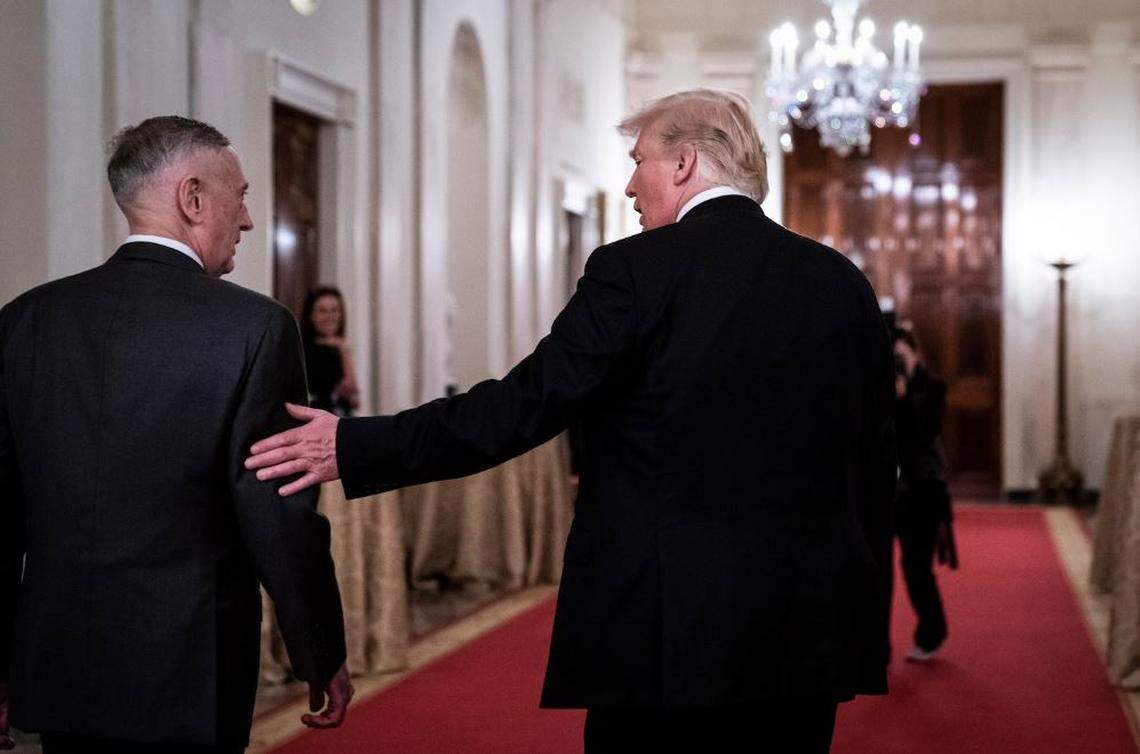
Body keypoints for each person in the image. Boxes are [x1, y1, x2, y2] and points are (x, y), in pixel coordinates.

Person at [247, 89, 896, 753]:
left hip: (664, 634)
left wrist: (353, 444)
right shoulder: (840, 282)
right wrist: (863, 630)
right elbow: (875, 471)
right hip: (809, 630)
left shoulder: (635, 271)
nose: (629, 184)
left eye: (639, 160)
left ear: (683, 164)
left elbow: (521, 407)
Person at [0, 116, 351, 753]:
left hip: (58, 666)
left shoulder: (24, 322)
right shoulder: (257, 329)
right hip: (191, 670)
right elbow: (278, 514)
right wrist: (319, 651)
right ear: (193, 198)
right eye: (240, 195)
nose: (247, 220)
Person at [892, 324, 955, 662]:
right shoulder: (878, 388)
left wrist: (901, 400)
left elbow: (922, 433)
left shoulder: (933, 388)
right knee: (876, 571)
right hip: (887, 490)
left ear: (917, 355)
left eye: (903, 357)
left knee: (916, 567)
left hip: (921, 491)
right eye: (893, 360)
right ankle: (874, 647)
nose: (899, 365)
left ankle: (931, 634)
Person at [301, 286, 360, 416]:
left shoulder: (335, 347)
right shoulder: (303, 350)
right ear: (310, 315)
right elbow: (349, 388)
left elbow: (354, 400)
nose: (330, 316)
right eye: (322, 311)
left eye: (334, 310)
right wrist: (344, 348)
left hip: (341, 420)